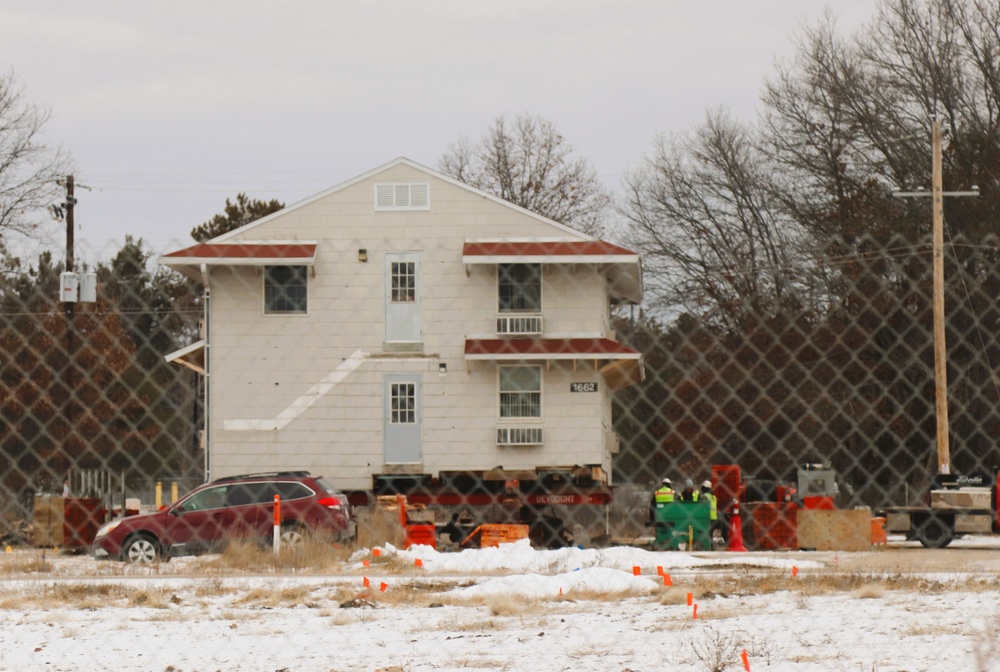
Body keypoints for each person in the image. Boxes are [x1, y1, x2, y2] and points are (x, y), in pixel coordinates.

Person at [701, 479, 728, 544]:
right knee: (711, 533)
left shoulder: (704, 497)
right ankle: (713, 545)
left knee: (708, 533)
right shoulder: (713, 497)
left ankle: (708, 545)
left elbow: (702, 508)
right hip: (714, 517)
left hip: (707, 517)